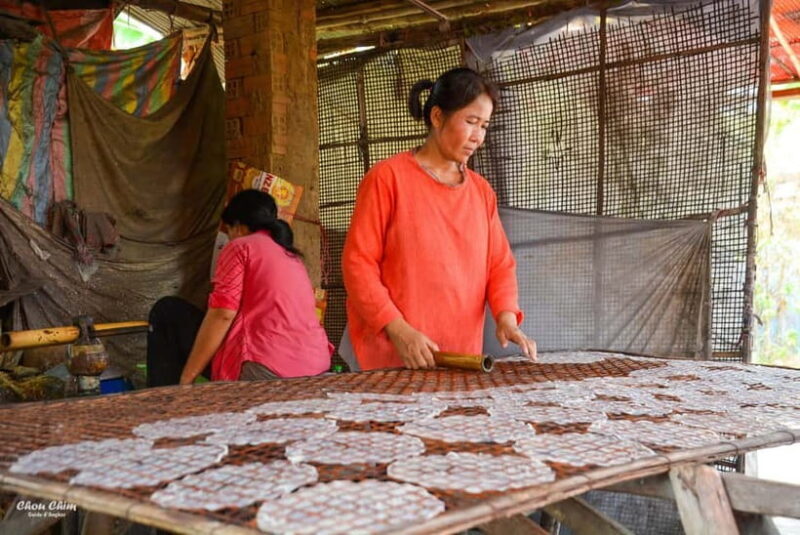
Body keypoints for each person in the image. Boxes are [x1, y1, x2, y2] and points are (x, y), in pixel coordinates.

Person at [342, 67, 537, 371]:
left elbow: (499, 266)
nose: (478, 137)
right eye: (471, 122)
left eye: (484, 126)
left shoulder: (482, 192)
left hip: (461, 359)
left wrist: (506, 318)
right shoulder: (387, 178)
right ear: (436, 117)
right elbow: (358, 265)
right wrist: (399, 330)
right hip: (394, 358)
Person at [147, 190, 333, 386]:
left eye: (228, 232)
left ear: (238, 226)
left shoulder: (241, 247)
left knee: (167, 310)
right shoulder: (292, 257)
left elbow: (223, 314)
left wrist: (187, 378)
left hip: (268, 366)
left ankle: (163, 399)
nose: (228, 239)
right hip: (315, 364)